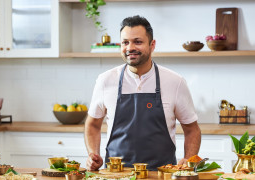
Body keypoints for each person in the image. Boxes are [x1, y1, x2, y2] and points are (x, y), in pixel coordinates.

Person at [84, 15, 201, 171]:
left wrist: (188, 159)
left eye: (137, 42)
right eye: (125, 42)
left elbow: (192, 129)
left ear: (152, 45)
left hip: (162, 173)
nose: (130, 47)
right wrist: (93, 154)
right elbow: (92, 124)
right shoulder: (105, 80)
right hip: (116, 174)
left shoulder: (175, 81)